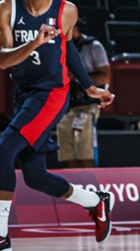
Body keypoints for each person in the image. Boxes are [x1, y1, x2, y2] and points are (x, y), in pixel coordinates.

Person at [0, 0, 113, 250]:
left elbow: (68, 49)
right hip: (24, 93)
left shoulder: (66, 10)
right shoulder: (6, 8)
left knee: (6, 146)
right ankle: (97, 202)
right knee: (36, 177)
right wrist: (35, 42)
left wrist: (90, 87)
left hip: (53, 94)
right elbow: (3, 60)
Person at [56, 17, 110, 168]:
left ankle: (91, 184)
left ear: (77, 28)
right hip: (66, 106)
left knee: (85, 150)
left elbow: (105, 76)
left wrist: (78, 77)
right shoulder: (59, 47)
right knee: (69, 153)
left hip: (86, 105)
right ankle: (75, 187)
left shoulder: (94, 46)